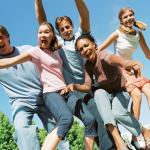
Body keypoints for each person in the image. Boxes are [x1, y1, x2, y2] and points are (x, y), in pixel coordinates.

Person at [0, 22, 97, 150]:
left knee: (85, 120)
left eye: (46, 32)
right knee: (63, 120)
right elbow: (12, 61)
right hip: (39, 96)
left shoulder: (53, 51)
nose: (43, 35)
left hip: (56, 92)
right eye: (40, 32)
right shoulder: (33, 52)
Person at [35, 0, 116, 149]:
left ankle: (124, 141)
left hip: (92, 85)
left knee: (107, 115)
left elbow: (84, 14)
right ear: (58, 33)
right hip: (76, 90)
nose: (65, 30)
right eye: (62, 29)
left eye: (67, 27)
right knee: (95, 114)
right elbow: (43, 23)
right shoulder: (58, 43)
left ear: (72, 26)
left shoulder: (81, 37)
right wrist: (38, 3)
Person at [61, 34, 150, 150]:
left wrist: (126, 63)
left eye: (86, 45)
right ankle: (119, 142)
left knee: (117, 113)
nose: (85, 50)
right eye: (81, 49)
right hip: (107, 93)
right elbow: (87, 86)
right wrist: (74, 86)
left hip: (120, 92)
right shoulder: (88, 65)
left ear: (93, 44)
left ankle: (144, 131)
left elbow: (112, 59)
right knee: (98, 93)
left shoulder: (102, 55)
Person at [97, 7, 150, 149]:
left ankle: (140, 134)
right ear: (120, 20)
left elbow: (147, 54)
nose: (129, 18)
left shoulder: (138, 34)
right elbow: (100, 49)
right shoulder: (117, 34)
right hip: (120, 70)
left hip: (133, 68)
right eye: (125, 17)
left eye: (131, 15)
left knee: (149, 91)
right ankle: (136, 135)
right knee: (137, 96)